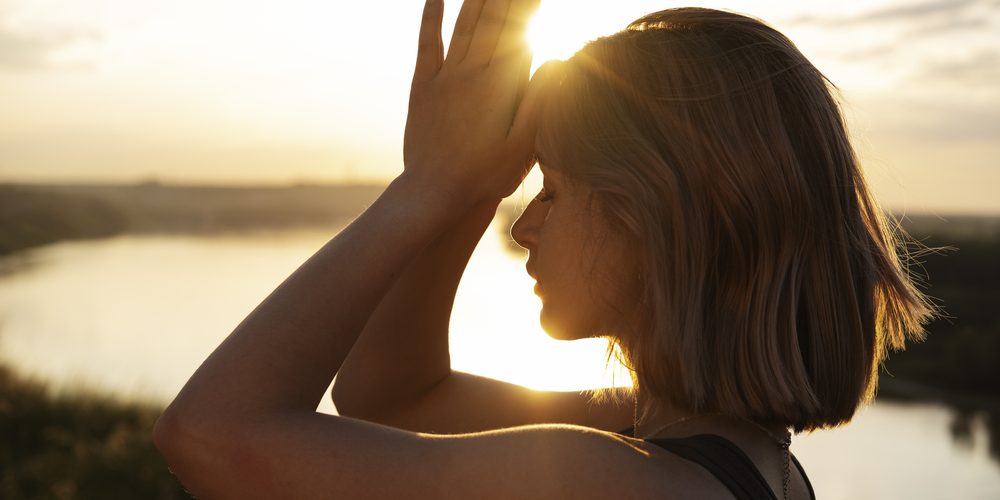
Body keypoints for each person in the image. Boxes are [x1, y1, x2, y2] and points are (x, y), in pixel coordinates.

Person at [154, 1, 934, 498]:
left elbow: (212, 433)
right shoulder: (719, 452)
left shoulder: (612, 479)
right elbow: (392, 398)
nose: (524, 226)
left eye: (552, 192)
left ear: (655, 221)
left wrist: (425, 193)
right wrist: (461, 192)